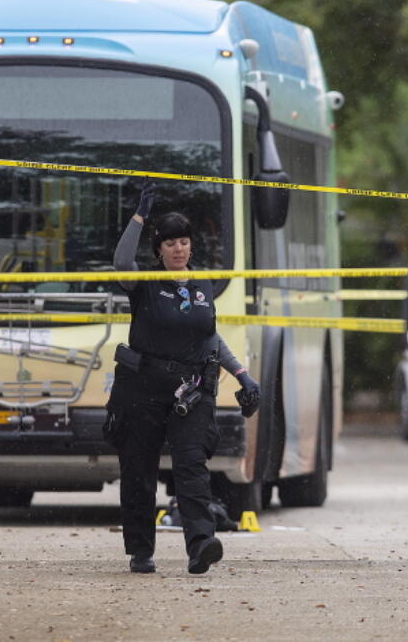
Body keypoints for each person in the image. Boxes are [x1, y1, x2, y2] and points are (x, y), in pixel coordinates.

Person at [107, 182, 261, 575]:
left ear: (192, 246)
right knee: (139, 471)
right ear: (158, 249)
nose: (178, 248)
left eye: (184, 242)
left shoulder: (203, 284)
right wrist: (139, 217)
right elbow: (122, 263)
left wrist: (242, 375)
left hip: (191, 391)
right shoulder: (144, 284)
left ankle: (201, 545)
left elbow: (208, 336)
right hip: (144, 388)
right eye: (170, 242)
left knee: (192, 467)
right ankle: (141, 550)